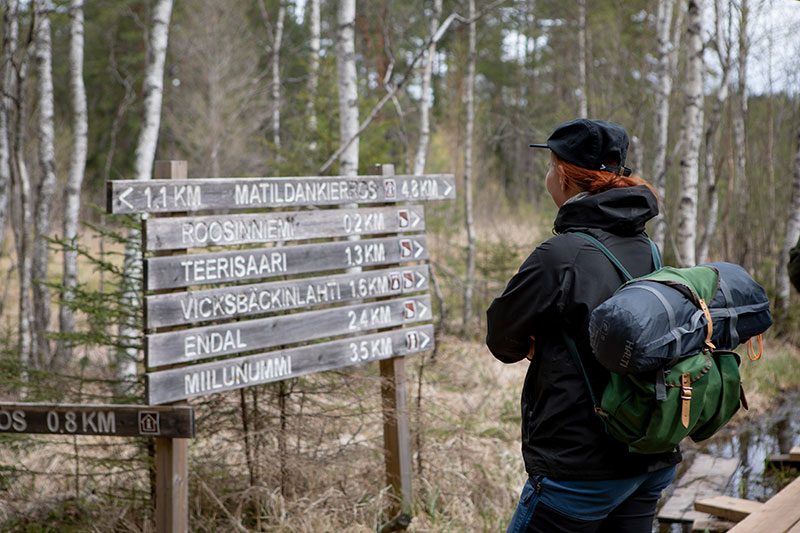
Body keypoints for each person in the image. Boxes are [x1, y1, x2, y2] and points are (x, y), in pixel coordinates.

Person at [486, 118, 681, 533]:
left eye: (549, 165)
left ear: (560, 173)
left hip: (580, 470)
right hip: (649, 456)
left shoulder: (561, 254)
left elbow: (502, 340)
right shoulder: (647, 246)